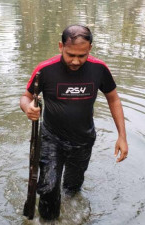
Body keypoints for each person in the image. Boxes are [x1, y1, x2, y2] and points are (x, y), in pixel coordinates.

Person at [20, 25, 128, 220]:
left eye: (82, 55)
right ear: (61, 46)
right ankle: (48, 221)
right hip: (51, 138)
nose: (76, 61)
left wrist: (122, 136)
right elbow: (25, 97)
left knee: (72, 188)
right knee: (48, 188)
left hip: (83, 139)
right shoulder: (45, 70)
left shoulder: (99, 69)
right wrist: (28, 108)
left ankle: (71, 215)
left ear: (90, 49)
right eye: (70, 55)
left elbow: (114, 99)